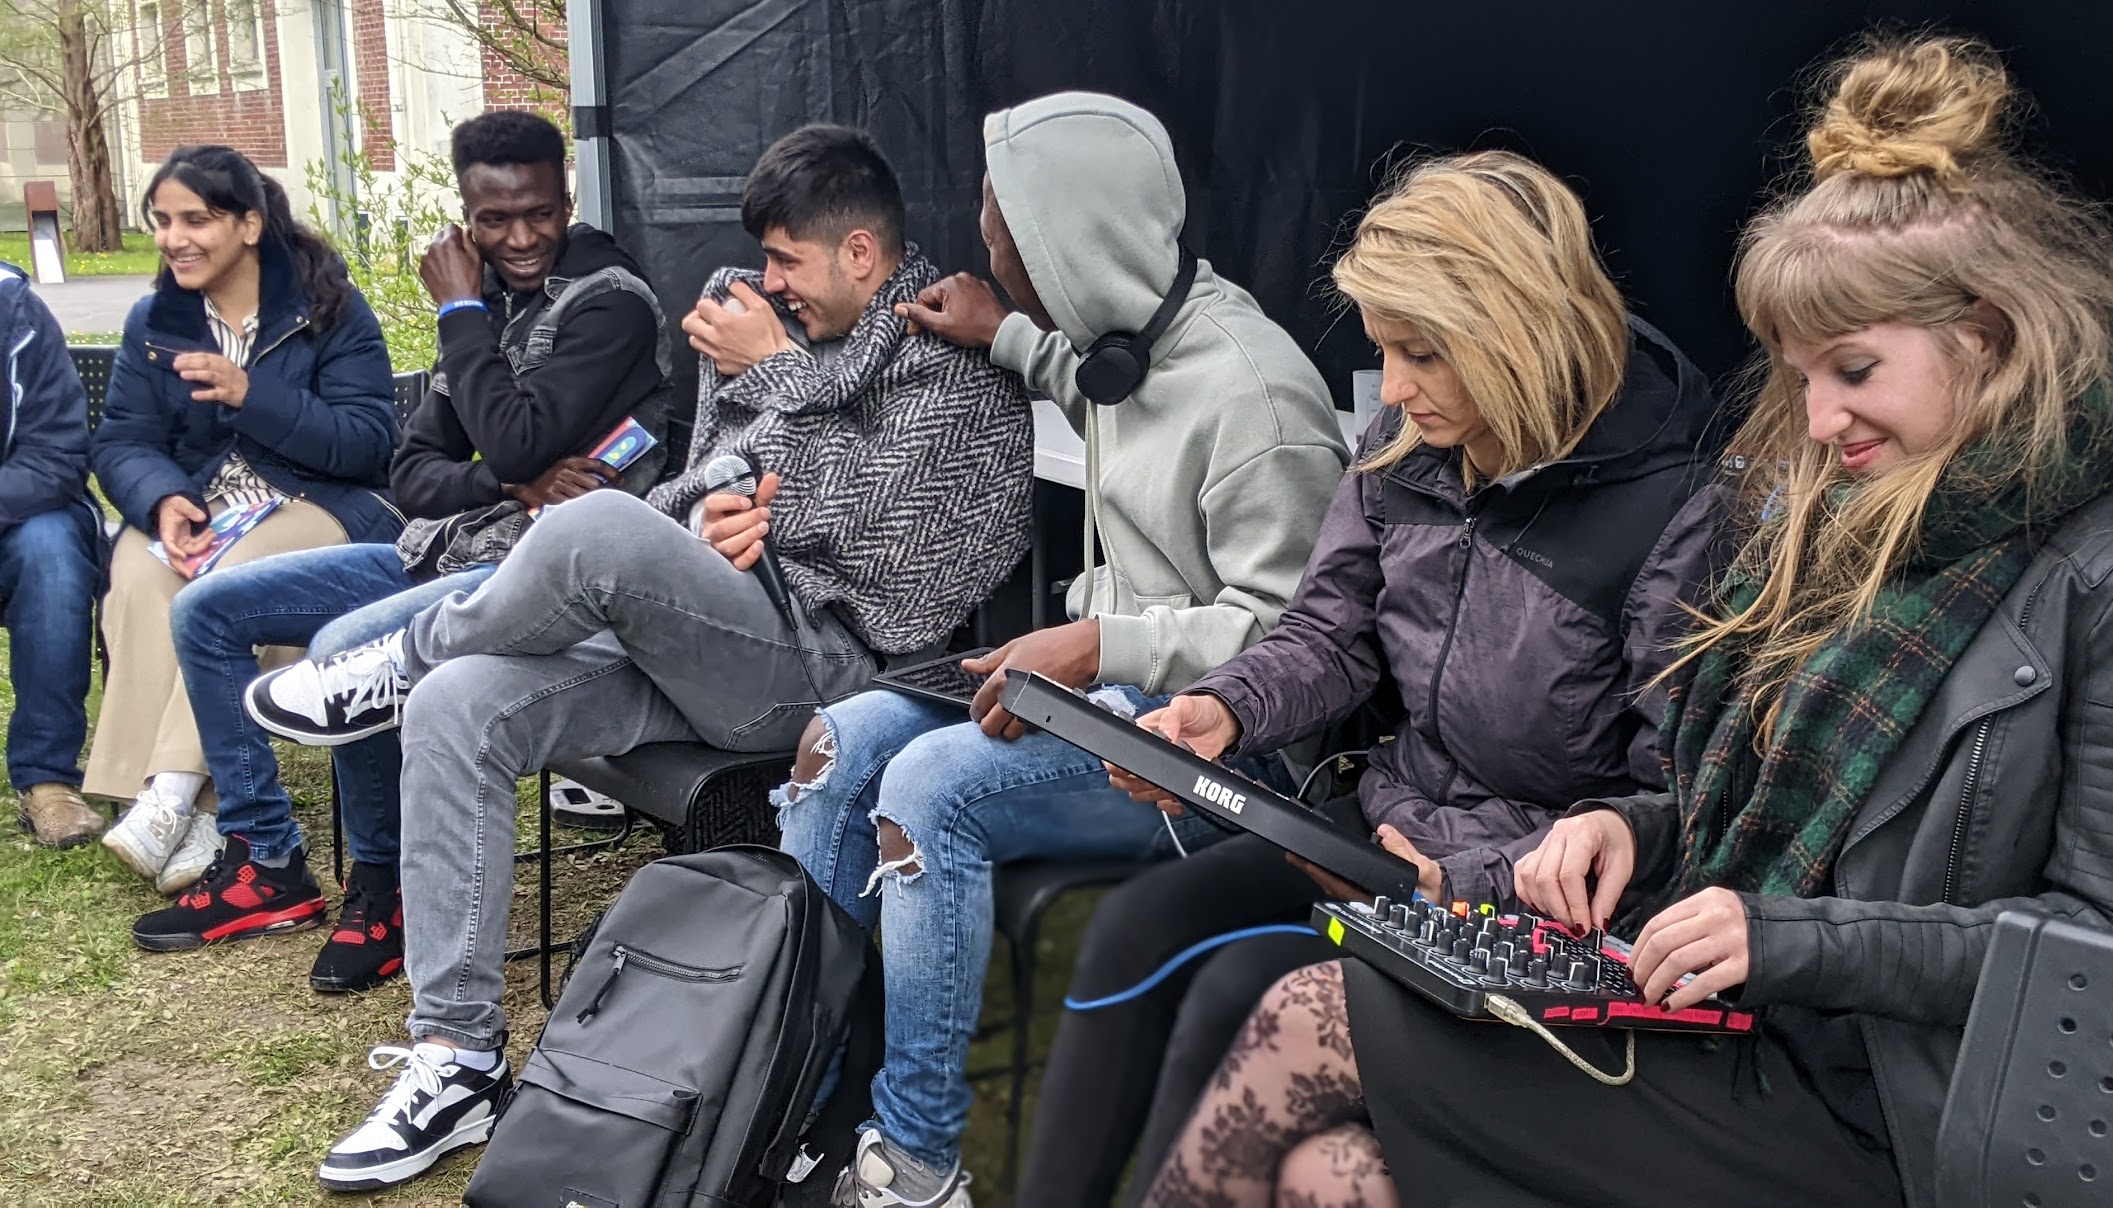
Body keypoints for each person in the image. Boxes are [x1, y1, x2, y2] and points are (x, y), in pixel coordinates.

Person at [1144, 36, 2113, 1208]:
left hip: (1895, 1105)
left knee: (1316, 1011)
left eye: (1855, 370)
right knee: (1332, 1173)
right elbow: (1740, 805)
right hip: (1733, 1021)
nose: (1820, 419)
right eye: (1800, 377)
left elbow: (2104, 956)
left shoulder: (2111, 578)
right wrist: (1629, 831)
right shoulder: (1839, 519)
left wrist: (1785, 937)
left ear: (1987, 335)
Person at [258, 124, 1036, 1191]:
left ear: (860, 252)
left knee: (590, 527)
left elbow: (907, 574)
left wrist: (779, 397)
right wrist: (710, 517)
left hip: (839, 672)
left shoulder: (954, 372)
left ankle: (405, 652)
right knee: (458, 706)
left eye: (787, 260)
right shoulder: (765, 328)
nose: (770, 281)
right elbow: (699, 481)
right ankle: (458, 1055)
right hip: (708, 637)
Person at [1020, 148, 1726, 1204]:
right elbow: (1331, 631)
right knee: (1134, 928)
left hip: (1521, 901)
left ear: (1521, 333)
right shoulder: (1409, 438)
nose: (1390, 389)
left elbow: (1669, 801)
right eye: (1384, 350)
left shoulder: (1675, 505)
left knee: (1232, 992)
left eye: (1422, 354)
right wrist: (1223, 707)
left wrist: (1469, 882)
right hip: (1381, 832)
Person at [775, 92, 1351, 1208]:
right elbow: (1087, 383)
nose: (987, 255)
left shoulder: (1260, 400)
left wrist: (1099, 642)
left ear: (1073, 245)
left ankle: (917, 1164)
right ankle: (797, 1094)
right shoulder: (1122, 349)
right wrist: (1000, 331)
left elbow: (1302, 641)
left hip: (1218, 747)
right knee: (836, 744)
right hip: (1105, 687)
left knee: (929, 786)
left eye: (1005, 240)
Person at [128, 111, 672, 984]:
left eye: (539, 213)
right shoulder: (491, 301)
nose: (521, 238)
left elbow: (518, 439)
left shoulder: (608, 302)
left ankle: (384, 892)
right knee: (206, 611)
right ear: (466, 217)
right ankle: (267, 860)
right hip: (445, 548)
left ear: (567, 200)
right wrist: (504, 483)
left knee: (348, 647)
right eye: (495, 220)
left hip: (540, 577)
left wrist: (459, 314)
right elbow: (411, 471)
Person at [90, 144, 397, 897]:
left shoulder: (329, 310)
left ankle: (168, 793)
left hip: (319, 506)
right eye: (162, 221)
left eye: (196, 220)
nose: (174, 239)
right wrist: (163, 499)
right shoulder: (156, 321)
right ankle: (196, 811)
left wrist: (249, 393)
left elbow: (367, 443)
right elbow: (123, 439)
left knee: (235, 581)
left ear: (249, 225)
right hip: (205, 505)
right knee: (137, 575)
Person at [0, 261, 105, 848]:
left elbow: (56, 457)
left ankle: (46, 779)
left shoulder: (13, 311)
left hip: (16, 514)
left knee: (52, 552)